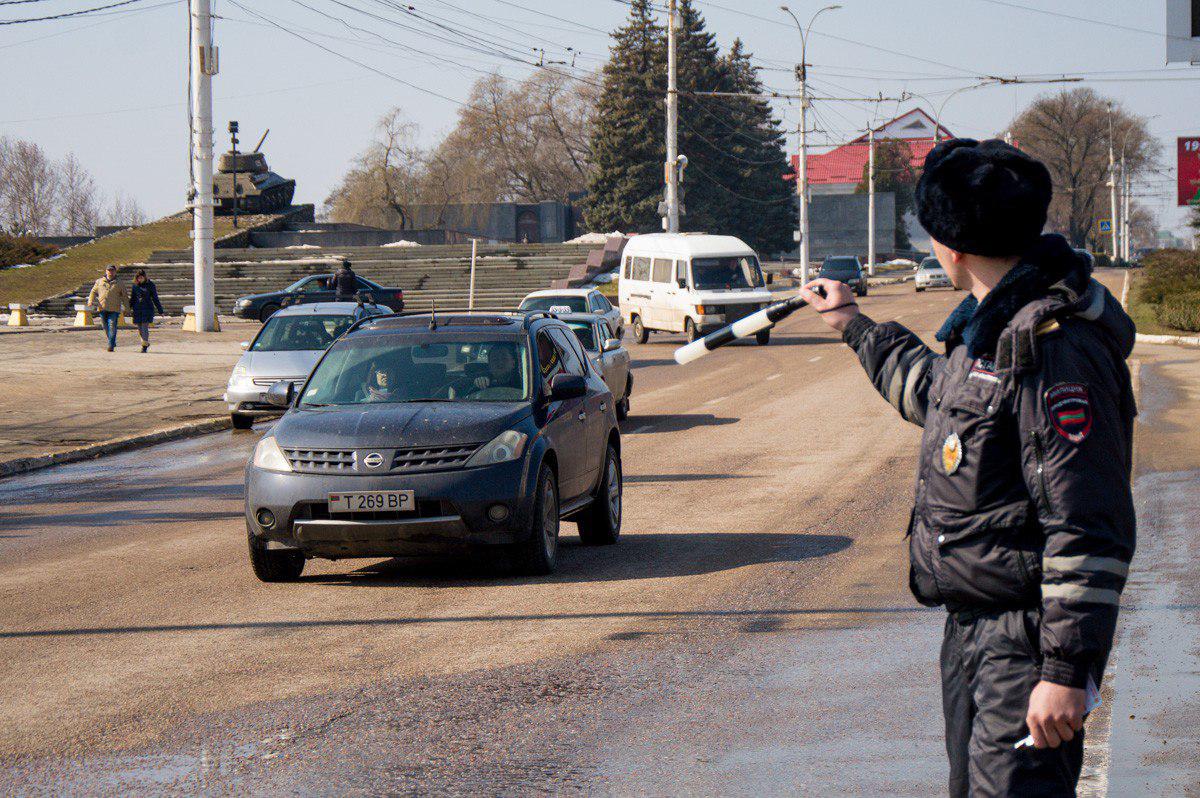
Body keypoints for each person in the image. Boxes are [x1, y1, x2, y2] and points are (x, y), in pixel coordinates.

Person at [799, 139, 1136, 797]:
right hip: (975, 631)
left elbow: (1087, 521)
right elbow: (937, 399)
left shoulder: (1052, 348)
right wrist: (850, 322)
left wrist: (1065, 671)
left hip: (1027, 640)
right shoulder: (994, 329)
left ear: (951, 247)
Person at [87, 265, 129, 352]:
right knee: (105, 326)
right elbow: (93, 292)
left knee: (112, 325)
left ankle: (111, 345)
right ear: (106, 271)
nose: (110, 272)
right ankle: (112, 341)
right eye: (109, 270)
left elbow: (125, 296)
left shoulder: (120, 283)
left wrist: (127, 308)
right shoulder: (99, 281)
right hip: (102, 308)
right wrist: (90, 301)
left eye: (112, 270)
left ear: (115, 271)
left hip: (114, 309)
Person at [128, 269, 165, 353]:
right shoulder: (135, 286)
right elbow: (133, 298)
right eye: (138, 278)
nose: (140, 279)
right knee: (140, 328)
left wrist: (160, 310)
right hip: (137, 309)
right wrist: (128, 308)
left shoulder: (150, 285)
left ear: (145, 277)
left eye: (141, 277)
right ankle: (145, 343)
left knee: (144, 327)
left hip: (147, 309)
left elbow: (155, 298)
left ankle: (144, 346)